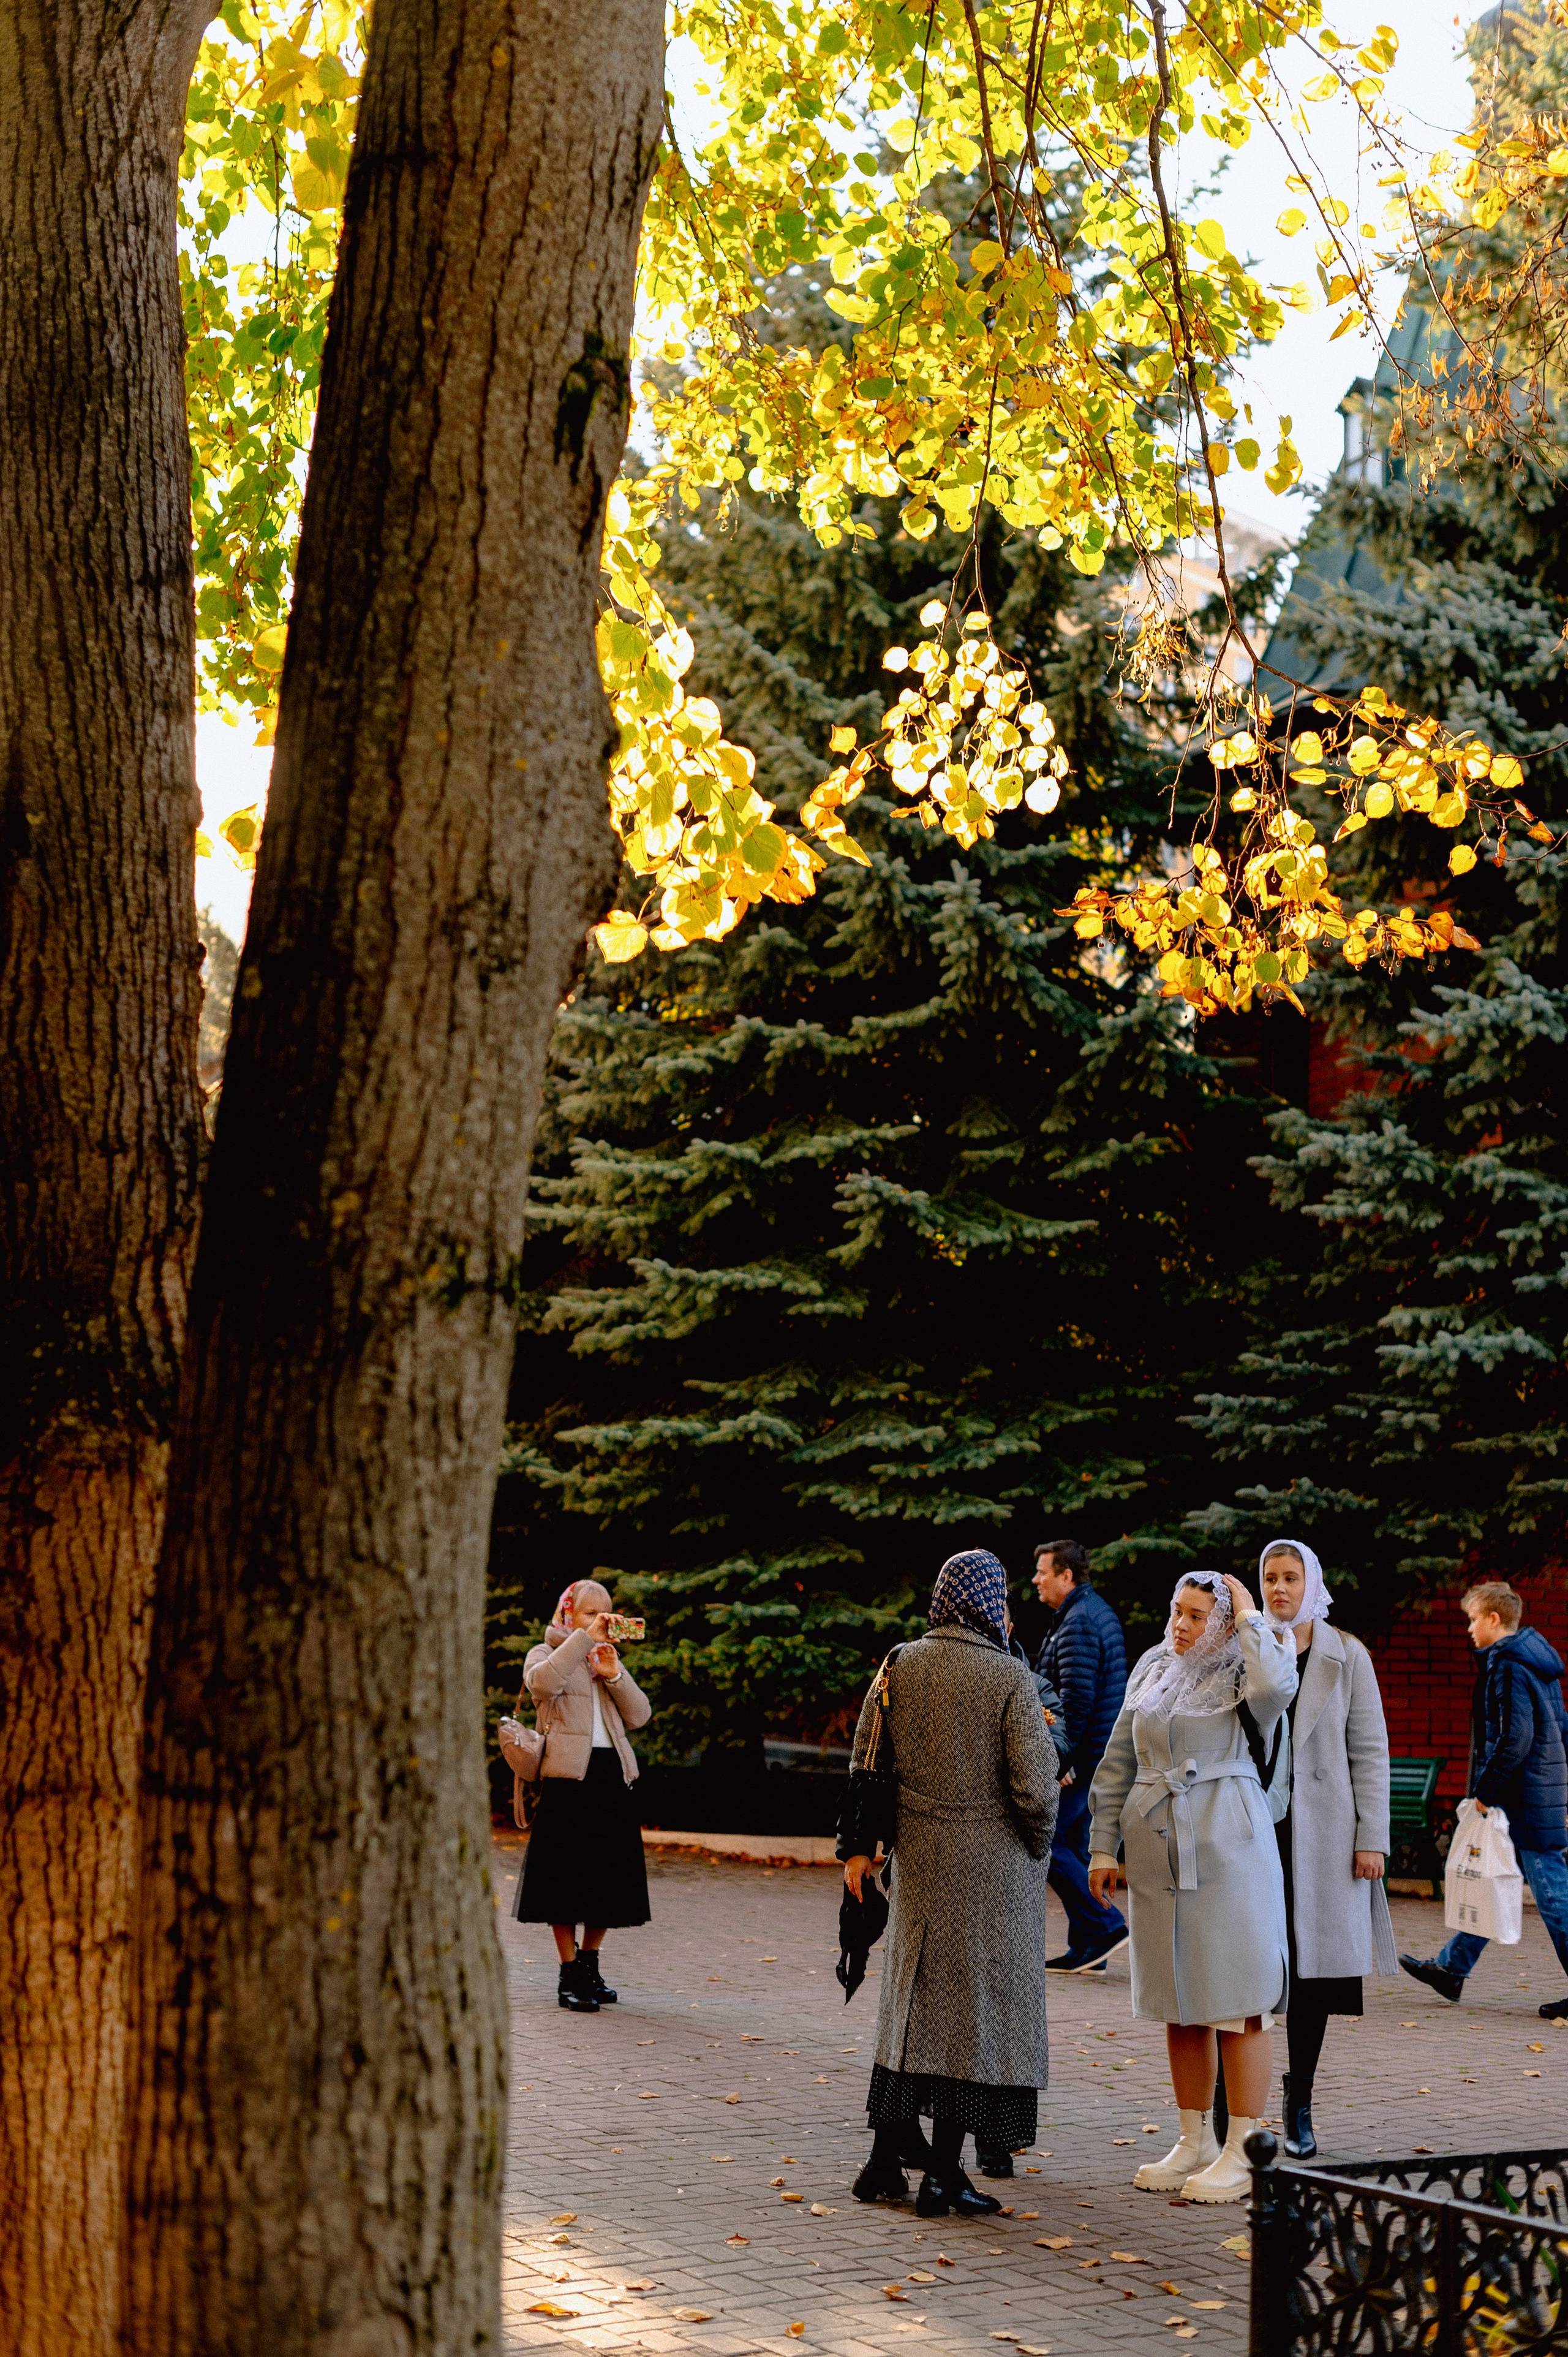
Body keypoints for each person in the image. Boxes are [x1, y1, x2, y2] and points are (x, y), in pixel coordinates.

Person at [841, 1549, 1058, 2217]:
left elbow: (867, 1763)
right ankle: (943, 2172)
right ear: (990, 1602)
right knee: (973, 2019)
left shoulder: (899, 1662)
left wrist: (863, 1849)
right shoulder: (1009, 1677)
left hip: (919, 1862)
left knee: (909, 2009)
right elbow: (1035, 1789)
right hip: (991, 1869)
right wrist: (1038, 1843)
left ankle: (882, 2163)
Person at [1088, 1568, 1297, 2203]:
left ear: (1224, 1625)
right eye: (1176, 1610)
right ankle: (1193, 2138)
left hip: (1227, 1843)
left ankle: (1244, 2146)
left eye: (1196, 1615)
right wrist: (1102, 1844)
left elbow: (1277, 1686)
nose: (1180, 1624)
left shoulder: (1247, 1669)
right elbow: (1118, 1756)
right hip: (1158, 1848)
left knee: (1237, 2003)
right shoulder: (1153, 1666)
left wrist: (1251, 1615)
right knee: (1177, 2000)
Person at [1245, 1537, 1396, 2159]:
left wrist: (1372, 1839)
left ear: (1312, 1582)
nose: (1280, 1587)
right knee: (1246, 1970)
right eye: (1270, 1577)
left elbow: (1370, 1751)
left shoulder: (1346, 1654)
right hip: (1253, 1830)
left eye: (1290, 1576)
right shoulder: (1245, 1647)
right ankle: (1238, 2113)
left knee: (1312, 1977)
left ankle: (1299, 2100)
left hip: (1324, 1839)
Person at [1399, 1581, 1568, 2019]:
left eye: (1473, 1619)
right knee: (1490, 1878)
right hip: (1536, 1795)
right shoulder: (1535, 1664)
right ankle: (1452, 1968)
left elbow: (1515, 1738)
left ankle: (1452, 1968)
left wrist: (1483, 1795)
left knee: (1552, 1896)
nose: (1470, 1629)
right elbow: (1559, 1731)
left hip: (1523, 1800)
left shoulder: (1509, 1664)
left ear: (1494, 1619)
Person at [513, 1578, 652, 2011]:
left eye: (605, 1613)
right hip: (568, 1778)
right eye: (590, 1613)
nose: (599, 1621)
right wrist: (580, 1642)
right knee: (563, 1880)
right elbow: (540, 1685)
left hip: (611, 1777)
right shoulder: (547, 1652)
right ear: (569, 1614)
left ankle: (590, 1964)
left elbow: (640, 1715)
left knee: (609, 1879)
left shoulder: (604, 1660)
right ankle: (569, 1972)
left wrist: (615, 1673)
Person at [1033, 1538, 1129, 1975]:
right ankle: (1091, 1945)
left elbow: (1076, 1700)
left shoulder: (1079, 1621)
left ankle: (1107, 1925)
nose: (1036, 1579)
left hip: (1087, 1758)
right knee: (1075, 1845)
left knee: (1046, 1839)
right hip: (1098, 1755)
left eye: (1043, 1571)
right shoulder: (1085, 1613)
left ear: (1066, 1576)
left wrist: (1062, 1761)